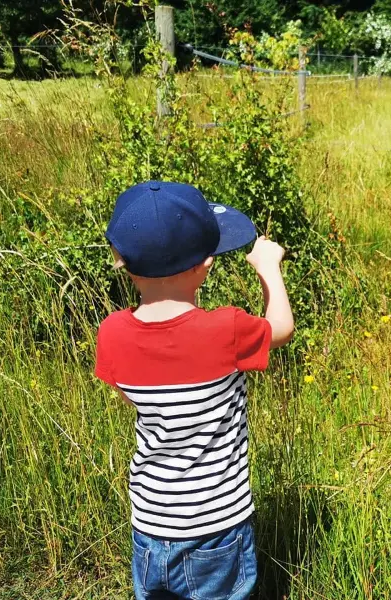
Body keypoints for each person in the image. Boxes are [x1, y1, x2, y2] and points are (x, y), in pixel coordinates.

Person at [94, 181, 294, 600]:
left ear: (123, 263)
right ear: (207, 265)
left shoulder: (112, 334)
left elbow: (130, 395)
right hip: (218, 528)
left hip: (150, 525)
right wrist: (269, 269)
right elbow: (282, 328)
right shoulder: (227, 329)